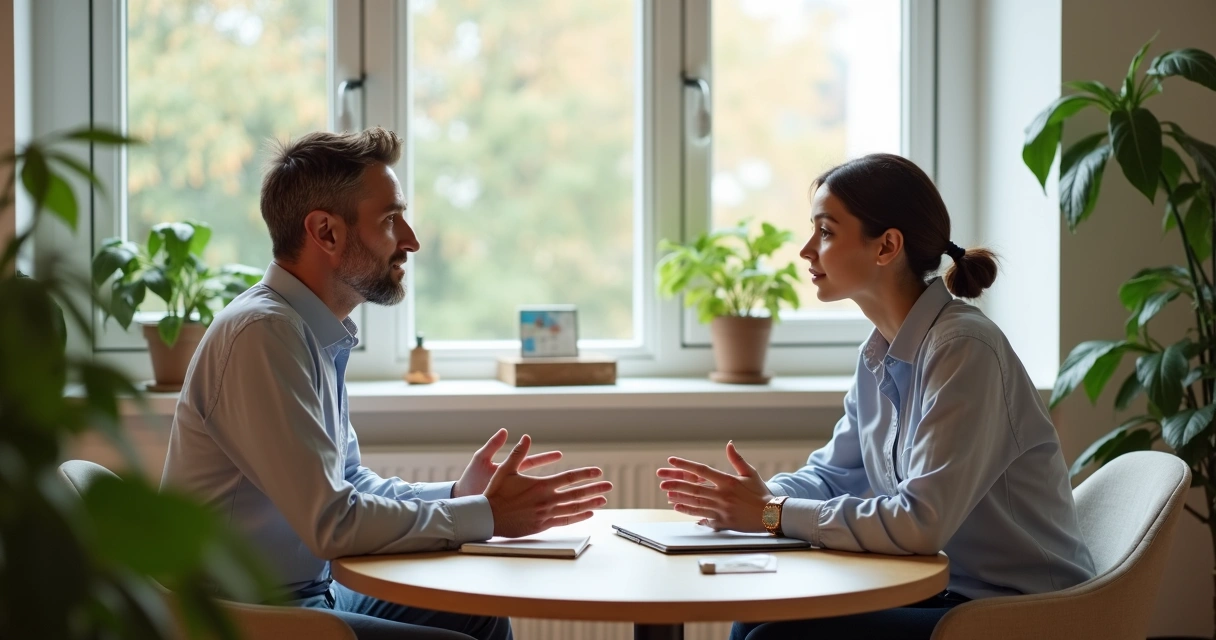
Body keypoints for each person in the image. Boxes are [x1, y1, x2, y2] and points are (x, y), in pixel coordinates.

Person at [161, 127, 613, 640]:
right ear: (326, 232)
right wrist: (483, 515)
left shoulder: (306, 330)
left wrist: (456, 493)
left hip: (304, 593)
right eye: (390, 220)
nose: (412, 240)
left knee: (480, 616)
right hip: (245, 618)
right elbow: (332, 522)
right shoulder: (264, 335)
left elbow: (349, 485)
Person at [656, 153, 1096, 640]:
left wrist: (770, 514)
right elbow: (833, 474)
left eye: (825, 232)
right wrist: (751, 500)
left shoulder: (963, 349)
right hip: (945, 591)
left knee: (776, 638)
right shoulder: (881, 353)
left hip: (1015, 612)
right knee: (758, 619)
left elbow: (919, 523)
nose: (806, 250)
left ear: (887, 246)